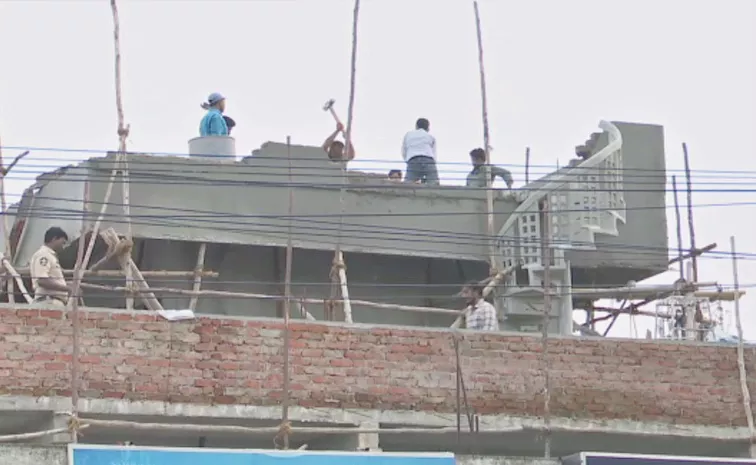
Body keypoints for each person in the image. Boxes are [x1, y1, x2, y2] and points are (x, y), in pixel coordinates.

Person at [29, 227, 72, 306]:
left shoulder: (50, 256)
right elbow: (42, 280)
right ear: (54, 239)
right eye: (62, 242)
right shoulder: (44, 254)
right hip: (48, 302)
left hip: (52, 301)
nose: (63, 246)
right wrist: (68, 289)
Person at [402, 118, 438, 185]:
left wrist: (407, 161)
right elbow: (434, 153)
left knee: (409, 184)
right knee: (433, 183)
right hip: (428, 159)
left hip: (413, 159)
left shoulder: (408, 135)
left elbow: (404, 151)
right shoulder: (430, 136)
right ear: (428, 127)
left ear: (416, 126)